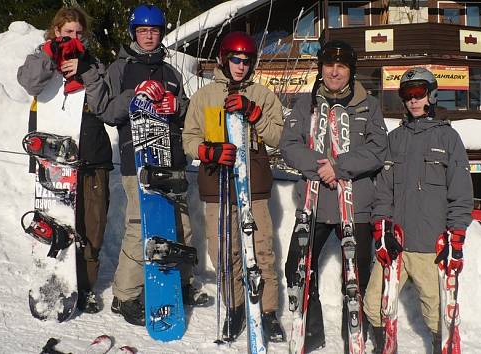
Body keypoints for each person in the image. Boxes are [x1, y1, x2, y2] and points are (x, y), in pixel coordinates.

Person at [95, 4, 208, 326]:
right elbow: (107, 112)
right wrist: (135, 95)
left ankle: (180, 284)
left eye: (154, 31)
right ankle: (125, 294)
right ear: (134, 33)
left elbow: (186, 111)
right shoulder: (120, 69)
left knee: (182, 225)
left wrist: (177, 106)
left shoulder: (170, 72)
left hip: (172, 159)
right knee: (139, 227)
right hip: (139, 161)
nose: (148, 36)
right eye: (143, 31)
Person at [280, 40, 388, 351]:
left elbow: (377, 149)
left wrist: (339, 167)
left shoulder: (369, 105)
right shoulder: (306, 104)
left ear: (351, 70)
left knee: (356, 278)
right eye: (329, 66)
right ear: (321, 68)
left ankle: (352, 337)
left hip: (357, 206)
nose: (335, 72)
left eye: (341, 66)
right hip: (315, 203)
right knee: (297, 268)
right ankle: (311, 333)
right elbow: (289, 144)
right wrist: (320, 167)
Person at [182, 31, 285, 342]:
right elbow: (189, 139)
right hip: (218, 183)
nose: (241, 66)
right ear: (223, 60)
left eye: (246, 61)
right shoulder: (204, 97)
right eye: (235, 60)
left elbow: (277, 136)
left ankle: (268, 312)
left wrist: (254, 115)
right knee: (225, 253)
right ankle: (236, 307)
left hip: (253, 184)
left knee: (262, 251)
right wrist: (208, 151)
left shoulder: (264, 95)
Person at [362, 67, 473, 353]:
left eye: (418, 93)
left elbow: (461, 193)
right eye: (406, 95)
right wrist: (381, 227)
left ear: (431, 95)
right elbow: (384, 189)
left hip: (430, 245)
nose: (412, 100)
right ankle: (384, 347)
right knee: (374, 306)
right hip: (396, 244)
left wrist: (456, 236)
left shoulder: (449, 139)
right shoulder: (394, 139)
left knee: (438, 316)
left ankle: (443, 348)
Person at [17, 6, 113, 314]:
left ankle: (84, 285)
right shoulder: (41, 56)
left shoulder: (94, 64)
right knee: (55, 219)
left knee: (91, 225)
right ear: (56, 31)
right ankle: (49, 276)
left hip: (92, 155)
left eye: (78, 33)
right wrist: (50, 54)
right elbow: (30, 83)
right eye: (67, 32)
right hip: (54, 157)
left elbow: (103, 107)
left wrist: (85, 70)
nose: (73, 37)